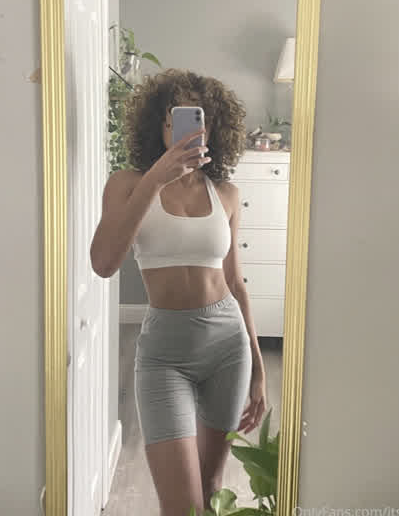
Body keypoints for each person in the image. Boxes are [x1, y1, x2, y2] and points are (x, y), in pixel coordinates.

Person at [90, 68, 267, 516]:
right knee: (180, 505)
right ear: (160, 125)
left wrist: (259, 368)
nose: (186, 130)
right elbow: (103, 263)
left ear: (213, 128)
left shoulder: (226, 193)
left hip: (228, 348)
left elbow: (235, 282)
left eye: (198, 120)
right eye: (175, 119)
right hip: (164, 356)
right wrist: (157, 177)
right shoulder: (128, 184)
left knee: (210, 490)